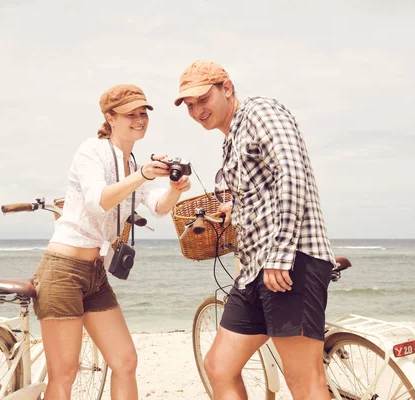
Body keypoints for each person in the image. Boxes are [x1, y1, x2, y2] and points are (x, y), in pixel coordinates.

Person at [174, 61, 336, 400]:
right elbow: (264, 191)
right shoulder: (230, 139)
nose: (196, 110)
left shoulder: (261, 111)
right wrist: (235, 210)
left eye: (202, 99)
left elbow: (292, 175)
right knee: (219, 366)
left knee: (304, 383)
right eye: (189, 105)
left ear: (227, 87)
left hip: (290, 261)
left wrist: (280, 254)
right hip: (253, 271)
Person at [34, 84, 191, 399]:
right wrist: (143, 175)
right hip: (64, 269)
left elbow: (158, 207)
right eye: (130, 114)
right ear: (110, 117)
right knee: (64, 375)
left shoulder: (132, 161)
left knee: (124, 360)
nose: (140, 119)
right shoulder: (91, 150)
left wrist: (175, 189)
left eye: (143, 112)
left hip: (95, 273)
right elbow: (98, 201)